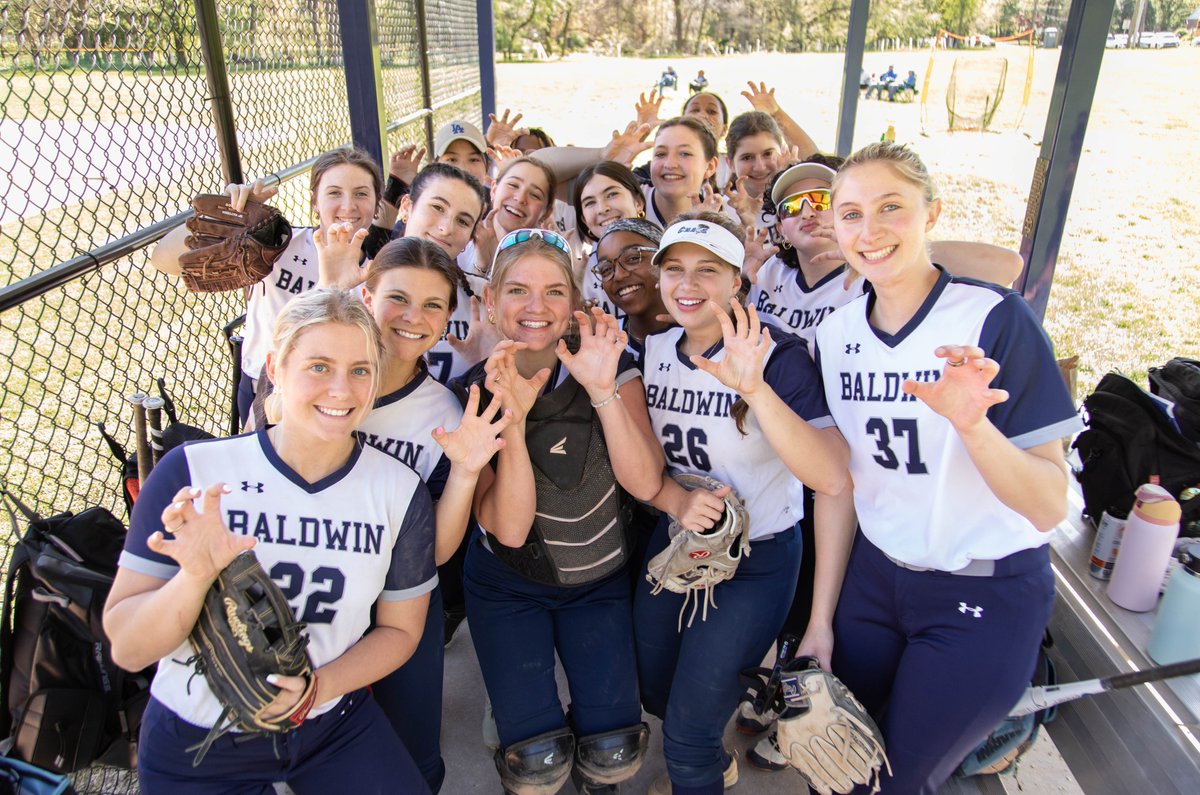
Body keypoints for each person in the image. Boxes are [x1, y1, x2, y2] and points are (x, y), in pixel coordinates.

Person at [738, 155, 1024, 771]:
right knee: (839, 757)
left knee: (902, 763)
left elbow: (1005, 266)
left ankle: (994, 720)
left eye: (825, 202)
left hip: (969, 566)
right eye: (798, 208)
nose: (813, 215)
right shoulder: (785, 289)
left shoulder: (871, 281)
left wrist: (881, 249)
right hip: (851, 499)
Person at [813, 142, 1080, 793]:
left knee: (894, 782)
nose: (870, 231)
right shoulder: (836, 332)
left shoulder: (993, 319)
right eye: (851, 214)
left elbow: (1048, 505)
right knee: (840, 757)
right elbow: (842, 484)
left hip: (982, 590)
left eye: (891, 207)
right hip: (875, 581)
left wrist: (972, 425)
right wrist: (820, 618)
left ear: (933, 213)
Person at [104, 288, 437, 795]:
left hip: (331, 722)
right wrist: (194, 578)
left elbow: (401, 633)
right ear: (275, 368)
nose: (342, 390)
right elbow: (129, 650)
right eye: (319, 367)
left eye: (361, 370)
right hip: (201, 737)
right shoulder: (196, 472)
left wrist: (315, 690)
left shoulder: (398, 489)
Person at [634, 211, 849, 795]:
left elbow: (831, 475)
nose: (687, 284)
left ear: (738, 281)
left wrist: (753, 388)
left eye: (708, 270)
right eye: (674, 268)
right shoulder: (649, 348)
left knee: (687, 734)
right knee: (654, 688)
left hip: (758, 556)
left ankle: (699, 766)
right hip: (678, 540)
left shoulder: (777, 356)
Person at [462, 228, 665, 795]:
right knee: (537, 762)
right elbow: (508, 527)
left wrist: (601, 388)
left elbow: (646, 481)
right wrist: (517, 419)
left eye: (555, 291)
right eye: (518, 291)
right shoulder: (471, 391)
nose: (536, 307)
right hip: (510, 586)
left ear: (575, 304)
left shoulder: (607, 363)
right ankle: (520, 728)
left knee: (612, 753)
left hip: (598, 579)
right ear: (490, 302)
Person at [346, 236, 510, 793]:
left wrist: (465, 471)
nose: (413, 318)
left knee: (412, 757)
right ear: (366, 295)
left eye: (433, 305)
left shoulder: (443, 410)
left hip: (401, 593)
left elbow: (438, 552)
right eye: (397, 297)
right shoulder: (324, 380)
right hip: (319, 580)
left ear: (448, 318)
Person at [149, 147, 387, 427]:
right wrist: (234, 215)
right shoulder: (279, 244)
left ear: (376, 204)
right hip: (261, 385)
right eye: (334, 193)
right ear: (314, 202)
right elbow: (163, 259)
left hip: (331, 396)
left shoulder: (377, 274)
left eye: (361, 193)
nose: (348, 206)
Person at [571, 161, 648, 319]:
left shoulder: (667, 251)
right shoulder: (580, 271)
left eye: (612, 194)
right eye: (590, 202)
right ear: (584, 220)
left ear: (638, 203)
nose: (602, 208)